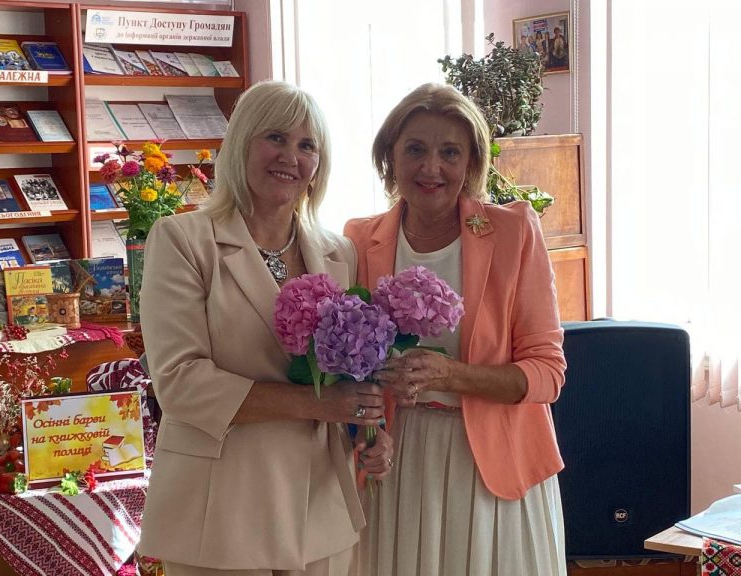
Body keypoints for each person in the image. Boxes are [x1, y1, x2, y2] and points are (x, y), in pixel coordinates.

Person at [137, 81, 393, 576]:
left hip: (320, 506)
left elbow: (347, 373)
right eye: (275, 137)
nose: (290, 157)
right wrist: (320, 405)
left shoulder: (340, 252)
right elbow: (181, 383)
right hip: (219, 508)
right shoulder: (183, 240)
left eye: (307, 145)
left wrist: (369, 429)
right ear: (241, 143)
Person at [344, 83, 567, 576]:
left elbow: (547, 373)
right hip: (397, 463)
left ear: (471, 163)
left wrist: (451, 375)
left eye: (450, 152)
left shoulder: (513, 231)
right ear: (389, 157)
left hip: (493, 465)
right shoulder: (358, 239)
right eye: (415, 150)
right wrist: (365, 423)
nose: (432, 167)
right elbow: (345, 366)